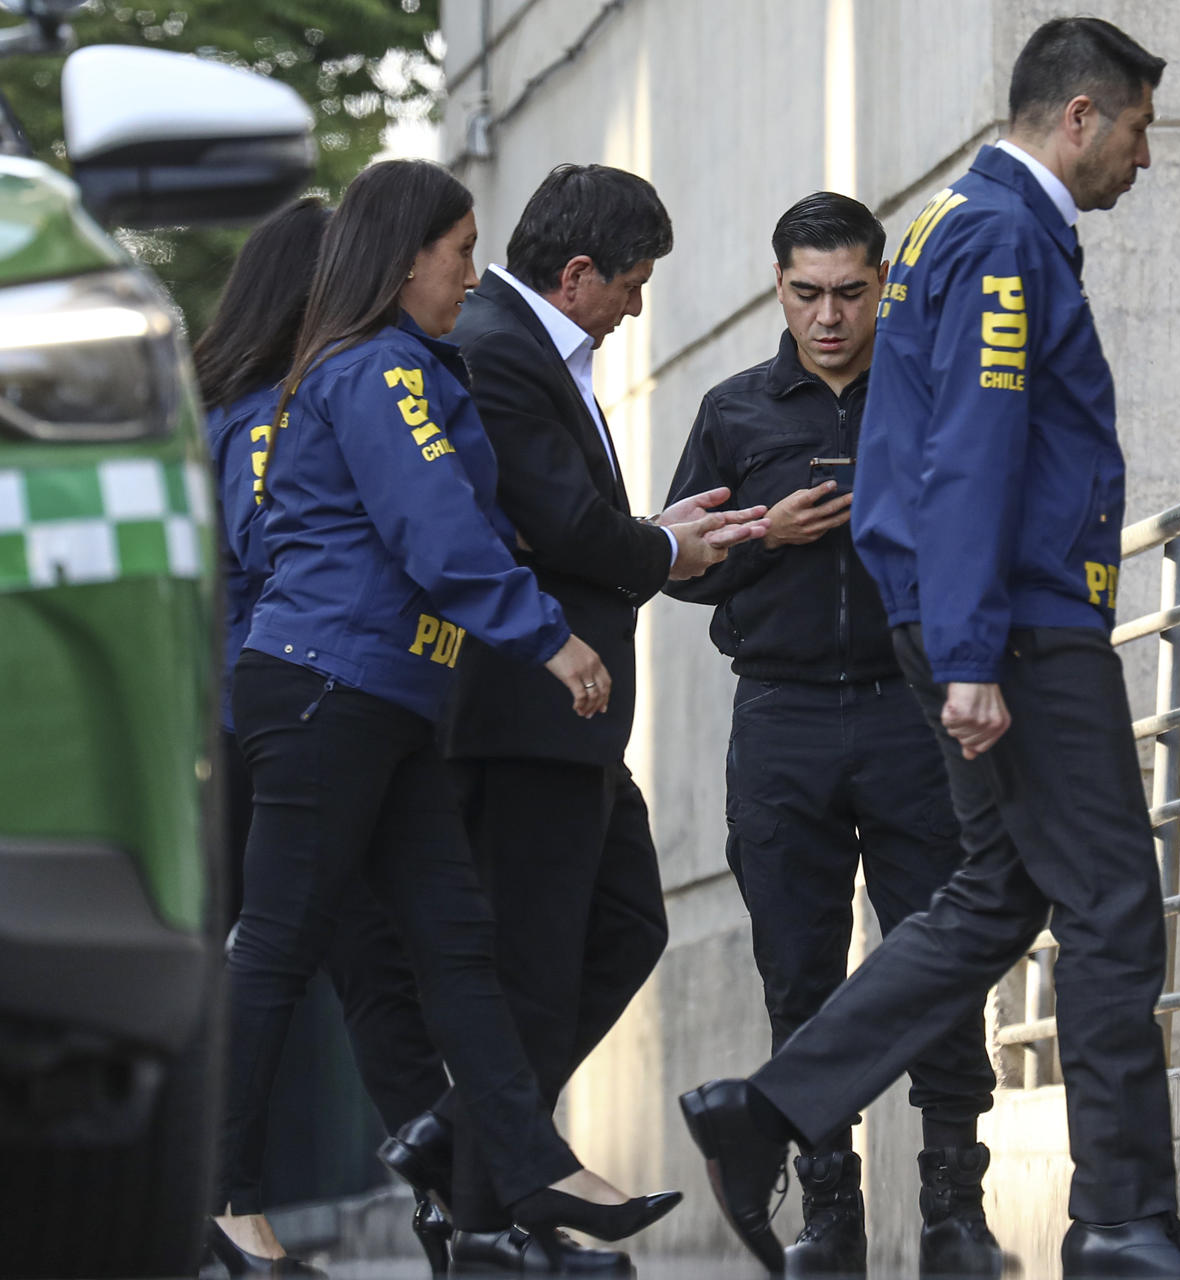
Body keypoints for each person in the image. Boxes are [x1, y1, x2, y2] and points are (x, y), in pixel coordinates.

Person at [677, 20, 1180, 1279]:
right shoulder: (1002, 232)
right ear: (1077, 116)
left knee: (992, 896)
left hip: (981, 617)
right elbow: (976, 448)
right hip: (1023, 623)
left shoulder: (956, 221)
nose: (1144, 157)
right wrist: (966, 651)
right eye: (1137, 129)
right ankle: (1120, 1219)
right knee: (1112, 905)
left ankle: (769, 1107)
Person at [214, 159, 680, 1276]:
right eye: (459, 252)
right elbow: (442, 535)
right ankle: (219, 1194)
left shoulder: (396, 368)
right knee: (279, 945)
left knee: (457, 941)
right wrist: (550, 635)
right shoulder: (378, 372)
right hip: (333, 688)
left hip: (388, 695)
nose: (471, 276)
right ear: (404, 255)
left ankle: (522, 1173)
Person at [418, 164, 768, 1276]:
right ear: (576, 275)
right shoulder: (497, 348)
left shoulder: (525, 347)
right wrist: (664, 546)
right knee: (531, 959)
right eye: (632, 282)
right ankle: (492, 1220)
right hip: (524, 706)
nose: (636, 306)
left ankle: (462, 1140)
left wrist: (647, 530)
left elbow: (567, 525)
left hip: (562, 715)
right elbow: (559, 523)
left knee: (624, 924)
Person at [661, 191, 1001, 1278]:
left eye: (851, 293)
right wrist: (772, 531)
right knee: (798, 972)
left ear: (879, 289)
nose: (829, 317)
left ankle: (955, 1208)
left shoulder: (930, 391)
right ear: (779, 289)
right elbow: (676, 565)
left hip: (913, 714)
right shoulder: (735, 408)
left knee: (937, 963)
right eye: (806, 294)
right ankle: (829, 1216)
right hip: (783, 716)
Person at [192, 195, 456, 1277]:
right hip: (285, 713)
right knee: (321, 956)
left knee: (356, 961)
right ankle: (229, 1199)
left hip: (229, 721)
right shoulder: (278, 413)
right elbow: (276, 565)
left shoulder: (210, 412)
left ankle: (453, 1199)